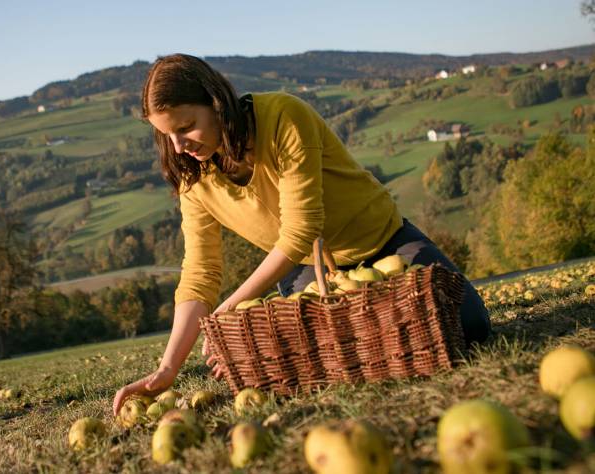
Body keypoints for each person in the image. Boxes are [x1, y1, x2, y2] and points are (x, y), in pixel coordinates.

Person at [112, 53, 490, 415]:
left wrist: (225, 313)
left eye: (185, 127)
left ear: (216, 103)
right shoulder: (193, 178)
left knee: (470, 325)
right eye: (167, 135)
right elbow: (200, 273)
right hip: (309, 271)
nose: (179, 146)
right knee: (316, 366)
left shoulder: (283, 116)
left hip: (382, 241)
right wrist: (167, 368)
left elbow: (299, 230)